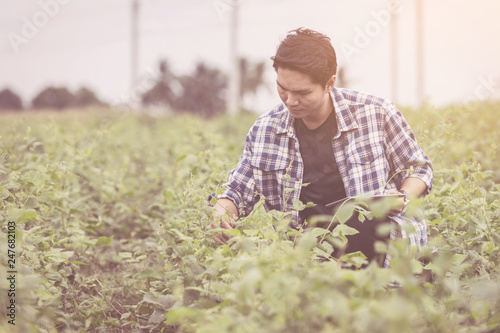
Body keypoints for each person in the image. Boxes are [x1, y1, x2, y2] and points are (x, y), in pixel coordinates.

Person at [209, 28, 433, 266]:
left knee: (360, 219)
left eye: (302, 92)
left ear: (329, 84)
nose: (290, 101)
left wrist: (403, 196)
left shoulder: (375, 113)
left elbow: (419, 170)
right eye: (283, 88)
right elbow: (236, 191)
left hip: (379, 248)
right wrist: (223, 211)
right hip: (306, 250)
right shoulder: (265, 130)